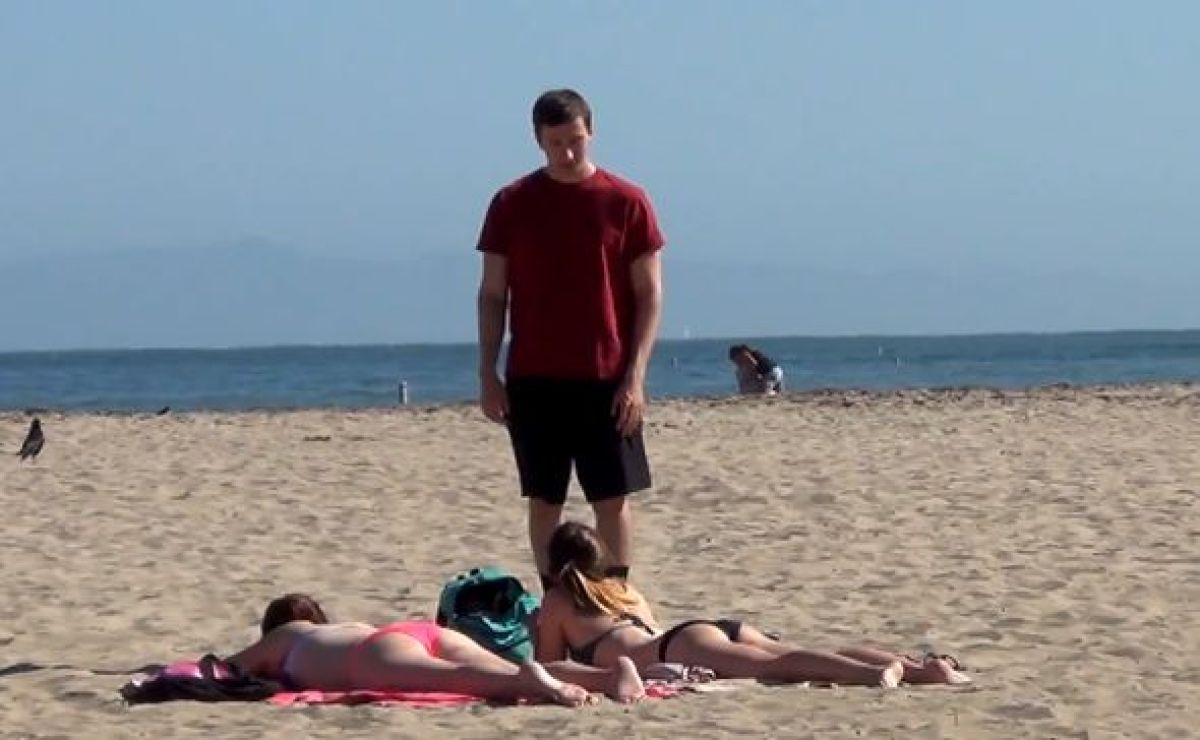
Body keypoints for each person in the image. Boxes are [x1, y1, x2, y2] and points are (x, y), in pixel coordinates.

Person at [476, 88, 665, 591]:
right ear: (539, 140)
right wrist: (487, 372)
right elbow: (493, 294)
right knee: (544, 499)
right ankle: (554, 598)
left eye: (575, 140)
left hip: (607, 375)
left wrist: (636, 377)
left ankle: (618, 596)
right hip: (534, 376)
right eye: (556, 142)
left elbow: (649, 295)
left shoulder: (626, 201)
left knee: (612, 498)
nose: (567, 152)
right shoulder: (512, 203)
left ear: (591, 132)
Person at [535, 523, 972, 688]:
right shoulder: (622, 590)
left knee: (779, 666)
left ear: (555, 566)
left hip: (679, 646)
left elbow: (548, 666)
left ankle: (873, 674)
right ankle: (924, 670)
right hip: (697, 631)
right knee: (805, 652)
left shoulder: (557, 601)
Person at [226, 593, 646, 705]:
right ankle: (610, 676)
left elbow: (224, 668)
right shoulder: (336, 630)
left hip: (370, 657)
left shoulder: (287, 636)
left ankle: (531, 682)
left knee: (465, 680)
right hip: (414, 631)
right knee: (493, 665)